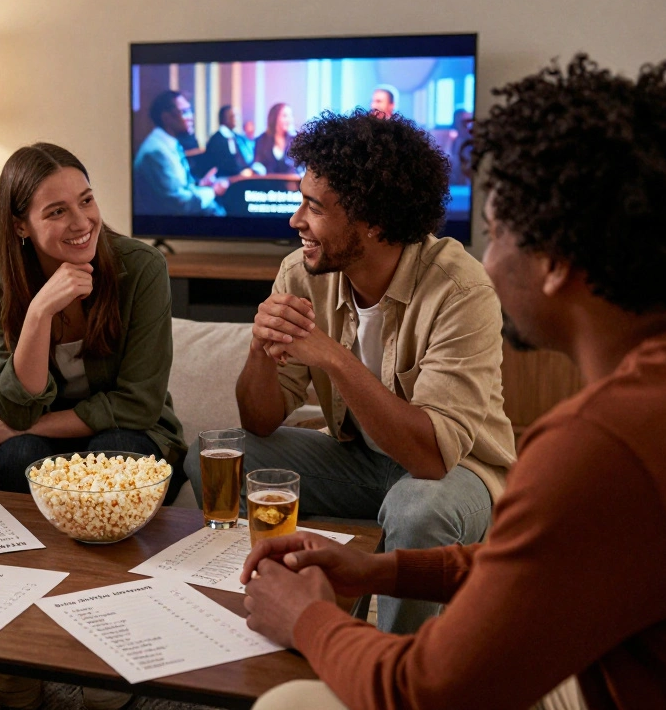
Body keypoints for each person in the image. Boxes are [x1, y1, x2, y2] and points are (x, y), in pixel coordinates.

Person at [243, 55, 666, 710]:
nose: (488, 261)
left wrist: (305, 617)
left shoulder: (600, 445)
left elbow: (425, 691)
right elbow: (553, 568)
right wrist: (380, 569)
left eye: (498, 234)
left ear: (556, 265)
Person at [186, 109, 516, 634]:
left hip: (457, 473)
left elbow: (430, 458)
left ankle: (397, 668)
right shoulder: (302, 270)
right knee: (216, 453)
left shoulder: (461, 290)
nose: (295, 221)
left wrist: (333, 357)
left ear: (374, 221)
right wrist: (259, 346)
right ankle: (267, 624)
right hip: (359, 461)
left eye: (313, 207)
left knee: (417, 513)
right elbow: (261, 421)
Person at [0, 142, 186, 710]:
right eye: (56, 211)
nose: (82, 221)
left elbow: (137, 405)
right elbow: (14, 407)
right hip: (44, 437)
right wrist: (40, 310)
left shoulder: (141, 267)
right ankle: (22, 647)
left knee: (116, 460)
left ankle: (105, 652)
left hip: (134, 435)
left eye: (86, 201)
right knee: (16, 463)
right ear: (19, 224)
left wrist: (28, 429)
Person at [133, 90, 227, 215]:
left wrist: (200, 183)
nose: (191, 117)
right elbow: (179, 203)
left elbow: (179, 187)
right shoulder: (156, 152)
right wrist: (213, 191)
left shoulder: (169, 144)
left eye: (190, 111)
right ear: (166, 117)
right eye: (184, 112)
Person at [205, 105, 255, 177]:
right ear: (226, 118)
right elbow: (222, 164)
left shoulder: (237, 137)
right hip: (225, 178)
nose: (237, 119)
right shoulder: (216, 140)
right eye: (234, 116)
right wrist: (239, 173)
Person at [253, 102, 298, 175]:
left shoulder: (295, 140)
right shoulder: (262, 140)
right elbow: (257, 164)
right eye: (285, 116)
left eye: (291, 116)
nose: (289, 119)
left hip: (290, 183)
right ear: (274, 117)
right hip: (268, 183)